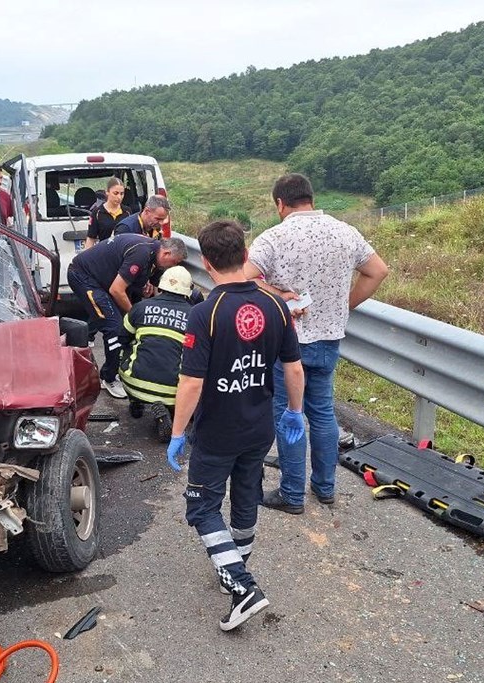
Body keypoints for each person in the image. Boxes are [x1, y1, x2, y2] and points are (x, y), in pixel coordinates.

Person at [165, 219, 305, 631]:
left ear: (205, 263)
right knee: (246, 496)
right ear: (245, 257)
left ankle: (242, 587)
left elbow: (192, 382)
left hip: (217, 433)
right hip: (259, 427)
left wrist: (176, 433)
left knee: (201, 505)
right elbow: (293, 368)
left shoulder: (204, 314)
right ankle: (233, 562)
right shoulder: (276, 306)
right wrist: (294, 412)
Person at [246, 173, 389, 514]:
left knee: (288, 413)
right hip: (330, 338)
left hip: (287, 343)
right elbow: (378, 271)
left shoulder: (274, 237)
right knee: (323, 413)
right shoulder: (345, 232)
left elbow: (244, 276)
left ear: (280, 203)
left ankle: (292, 494)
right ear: (311, 197)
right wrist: (345, 305)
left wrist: (278, 293)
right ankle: (325, 488)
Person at [67, 233, 187, 398]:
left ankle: (118, 366)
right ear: (166, 254)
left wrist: (145, 285)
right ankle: (108, 378)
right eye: (174, 263)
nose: (171, 267)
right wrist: (134, 316)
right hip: (83, 277)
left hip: (104, 281)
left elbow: (139, 282)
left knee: (122, 322)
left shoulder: (153, 254)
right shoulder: (141, 253)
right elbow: (117, 290)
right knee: (114, 327)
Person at [117, 265, 196, 408]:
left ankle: (135, 401)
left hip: (133, 385)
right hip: (173, 393)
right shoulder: (194, 316)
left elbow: (122, 338)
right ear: (188, 290)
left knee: (128, 345)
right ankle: (171, 409)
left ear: (160, 285)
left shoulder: (140, 307)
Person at [85, 178, 128, 250]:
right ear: (107, 192)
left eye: (122, 194)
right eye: (115, 193)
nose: (119, 197)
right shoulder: (97, 212)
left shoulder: (127, 212)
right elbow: (91, 239)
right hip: (105, 255)